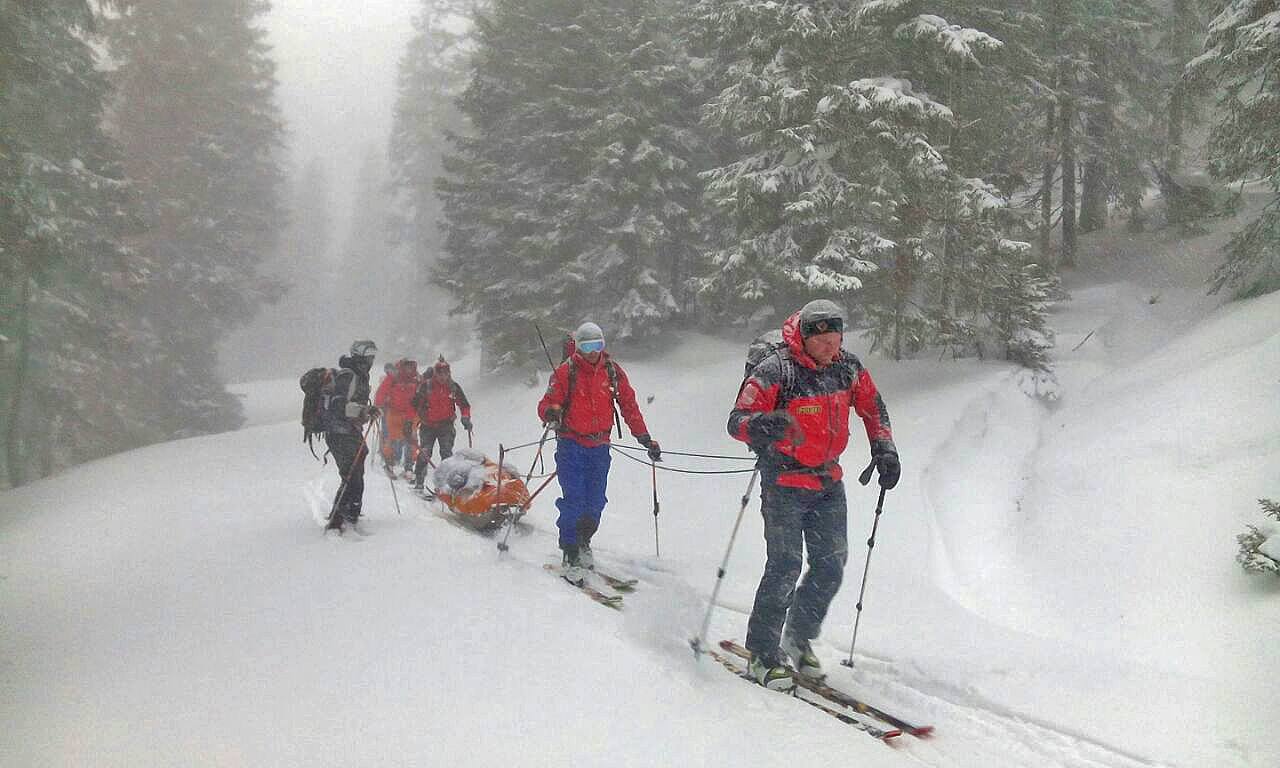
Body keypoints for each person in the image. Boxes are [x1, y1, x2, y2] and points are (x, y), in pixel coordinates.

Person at [727, 299, 900, 689]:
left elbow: (873, 408)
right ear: (803, 336)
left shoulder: (847, 367)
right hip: (783, 483)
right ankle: (762, 654)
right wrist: (763, 424)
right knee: (785, 566)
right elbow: (736, 421)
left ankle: (797, 636)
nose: (827, 343)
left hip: (827, 483)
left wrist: (884, 448)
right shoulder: (778, 370)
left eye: (834, 335)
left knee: (830, 565)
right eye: (819, 337)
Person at [537, 322, 662, 585]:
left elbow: (629, 406)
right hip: (571, 445)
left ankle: (584, 541)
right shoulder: (566, 372)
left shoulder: (612, 372)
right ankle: (570, 552)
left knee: (596, 501)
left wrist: (644, 437)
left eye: (597, 345)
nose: (593, 352)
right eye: (587, 346)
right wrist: (550, 412)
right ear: (578, 348)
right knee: (574, 499)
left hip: (600, 447)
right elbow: (546, 404)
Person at [324, 339, 380, 535]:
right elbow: (338, 405)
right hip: (339, 432)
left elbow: (352, 406)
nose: (372, 360)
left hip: (349, 431)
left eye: (373, 357)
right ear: (360, 356)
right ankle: (336, 521)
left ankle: (351, 513)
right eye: (369, 356)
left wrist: (366, 411)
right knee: (351, 475)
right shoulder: (348, 375)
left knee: (356, 472)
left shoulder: (360, 376)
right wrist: (364, 410)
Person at [411, 357, 472, 490]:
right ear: (435, 374)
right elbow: (414, 405)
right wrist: (410, 422)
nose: (443, 377)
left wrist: (465, 417)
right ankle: (419, 482)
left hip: (446, 425)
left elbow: (464, 405)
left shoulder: (453, 387)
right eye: (440, 374)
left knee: (447, 455)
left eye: (446, 373)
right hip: (428, 425)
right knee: (425, 453)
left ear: (449, 373)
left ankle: (447, 486)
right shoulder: (426, 386)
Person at [375, 358, 420, 476]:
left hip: (411, 414)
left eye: (411, 367)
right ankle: (389, 463)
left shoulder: (416, 380)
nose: (409, 370)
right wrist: (378, 406)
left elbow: (420, 397)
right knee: (392, 439)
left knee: (411, 441)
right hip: (394, 413)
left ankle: (409, 467)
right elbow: (381, 392)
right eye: (407, 367)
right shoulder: (393, 378)